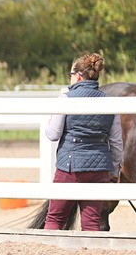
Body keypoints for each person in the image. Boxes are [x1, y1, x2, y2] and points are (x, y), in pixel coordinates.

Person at [42, 52, 123, 231]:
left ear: (78, 76)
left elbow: (53, 134)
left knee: (55, 218)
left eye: (70, 75)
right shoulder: (110, 103)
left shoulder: (66, 99)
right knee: (92, 221)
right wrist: (114, 170)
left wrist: (48, 124)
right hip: (99, 168)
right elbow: (116, 142)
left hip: (70, 165)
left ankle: (47, 253)